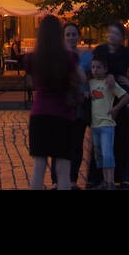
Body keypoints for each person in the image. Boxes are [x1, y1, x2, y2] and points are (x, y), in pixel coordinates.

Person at [24, 15, 84, 190]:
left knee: (39, 166)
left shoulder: (32, 58)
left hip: (39, 115)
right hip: (63, 115)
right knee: (63, 168)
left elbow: (31, 82)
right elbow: (81, 77)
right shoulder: (68, 57)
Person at [90, 22, 129, 189]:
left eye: (116, 33)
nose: (112, 36)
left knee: (122, 138)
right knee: (99, 140)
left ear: (122, 37)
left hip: (121, 100)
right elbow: (92, 70)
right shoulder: (100, 50)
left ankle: (122, 178)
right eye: (110, 32)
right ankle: (97, 178)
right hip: (102, 100)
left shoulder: (125, 53)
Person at [50, 21, 87, 187]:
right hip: (61, 106)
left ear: (79, 36)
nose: (71, 37)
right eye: (68, 35)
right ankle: (56, 181)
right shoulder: (57, 57)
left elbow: (94, 76)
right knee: (58, 144)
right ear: (63, 38)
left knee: (77, 145)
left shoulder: (86, 56)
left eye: (74, 34)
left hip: (79, 105)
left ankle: (72, 180)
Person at [87, 55, 129, 187]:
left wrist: (116, 108)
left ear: (105, 69)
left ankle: (111, 181)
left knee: (107, 153)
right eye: (93, 67)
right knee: (99, 155)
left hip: (107, 124)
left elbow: (125, 96)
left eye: (98, 67)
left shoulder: (109, 83)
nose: (95, 70)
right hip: (94, 125)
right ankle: (104, 180)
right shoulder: (90, 83)